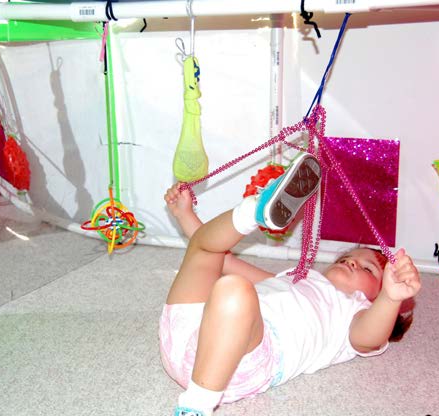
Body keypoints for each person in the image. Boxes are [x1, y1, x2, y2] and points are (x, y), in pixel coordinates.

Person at [160, 152, 422, 416]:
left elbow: (370, 336)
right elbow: (223, 259)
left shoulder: (351, 314)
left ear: (373, 300)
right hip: (190, 332)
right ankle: (254, 210)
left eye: (368, 269)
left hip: (237, 363)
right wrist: (185, 215)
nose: (353, 262)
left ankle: (195, 406)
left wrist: (391, 298)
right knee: (208, 252)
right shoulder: (294, 279)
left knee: (233, 290)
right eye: (347, 258)